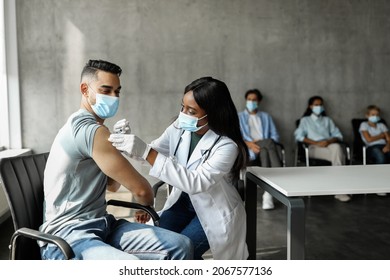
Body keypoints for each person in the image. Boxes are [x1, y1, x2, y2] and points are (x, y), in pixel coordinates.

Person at [39, 59, 192, 260]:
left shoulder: (94, 130)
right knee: (130, 267)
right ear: (85, 89)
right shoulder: (89, 130)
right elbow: (142, 190)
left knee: (181, 246)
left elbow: (112, 186)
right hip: (69, 236)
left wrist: (117, 149)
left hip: (101, 224)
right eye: (106, 90)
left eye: (117, 91)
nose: (113, 97)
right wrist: (145, 204)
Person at [109, 77, 249, 260]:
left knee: (180, 251)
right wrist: (127, 142)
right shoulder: (179, 128)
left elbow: (196, 182)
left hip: (212, 211)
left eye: (191, 111)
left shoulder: (227, 146)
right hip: (182, 203)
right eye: (182, 107)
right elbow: (151, 155)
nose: (183, 114)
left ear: (212, 113)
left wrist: (145, 150)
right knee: (157, 246)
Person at [294, 95, 350, 202]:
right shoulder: (305, 120)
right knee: (339, 155)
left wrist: (328, 141)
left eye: (320, 105)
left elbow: (338, 135)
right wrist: (317, 143)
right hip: (313, 148)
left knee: (337, 147)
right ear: (310, 106)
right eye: (316, 105)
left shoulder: (327, 120)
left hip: (329, 145)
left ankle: (339, 189)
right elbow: (299, 136)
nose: (319, 107)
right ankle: (341, 188)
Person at [238, 89, 282, 210]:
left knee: (267, 145)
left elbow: (275, 136)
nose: (251, 102)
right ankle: (277, 178)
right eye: (249, 99)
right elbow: (235, 137)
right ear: (246, 100)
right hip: (249, 149)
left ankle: (267, 195)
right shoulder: (239, 117)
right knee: (268, 144)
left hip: (264, 149)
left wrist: (260, 143)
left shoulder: (266, 117)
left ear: (259, 101)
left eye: (254, 100)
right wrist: (250, 144)